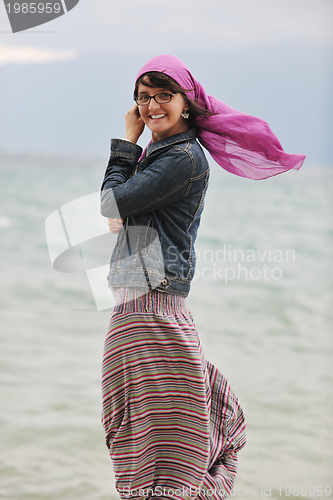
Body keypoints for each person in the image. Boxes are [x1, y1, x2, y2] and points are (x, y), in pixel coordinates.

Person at [100, 55, 305, 500]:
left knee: (150, 428)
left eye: (163, 95)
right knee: (140, 424)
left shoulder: (182, 158)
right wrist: (125, 197)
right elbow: (121, 208)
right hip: (143, 302)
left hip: (151, 306)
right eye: (143, 97)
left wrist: (125, 141)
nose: (153, 105)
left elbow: (110, 204)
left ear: (187, 103)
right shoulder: (165, 155)